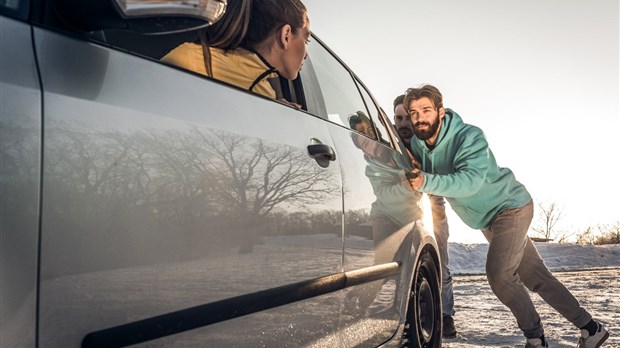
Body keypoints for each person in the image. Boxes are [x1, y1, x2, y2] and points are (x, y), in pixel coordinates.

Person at [403, 84, 609, 348]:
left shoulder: (469, 137)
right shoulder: (419, 146)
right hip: (488, 220)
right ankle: (591, 329)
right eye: (414, 112)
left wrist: (425, 180)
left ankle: (535, 337)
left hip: (511, 207)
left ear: (441, 112)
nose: (420, 118)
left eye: (426, 110)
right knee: (537, 278)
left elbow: (470, 182)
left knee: (499, 275)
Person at [393, 94, 458, 339]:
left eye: (407, 117)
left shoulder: (427, 139)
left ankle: (445, 314)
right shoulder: (390, 140)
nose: (403, 124)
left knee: (439, 258)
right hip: (398, 205)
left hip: (431, 201)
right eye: (398, 118)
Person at [161, 0, 310, 104]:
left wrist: (277, 110)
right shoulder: (190, 61)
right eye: (306, 40)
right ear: (286, 35)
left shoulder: (267, 92)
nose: (306, 55)